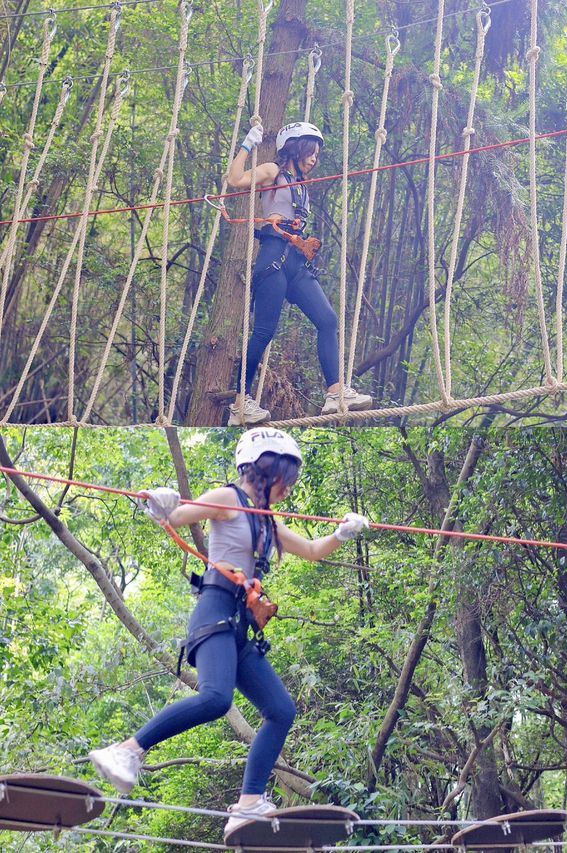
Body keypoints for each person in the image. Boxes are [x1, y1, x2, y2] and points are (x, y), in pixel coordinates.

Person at [88, 428, 369, 837]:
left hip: (240, 629)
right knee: (216, 698)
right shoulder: (228, 499)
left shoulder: (267, 522)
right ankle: (127, 750)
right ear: (265, 471)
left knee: (281, 710)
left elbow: (310, 549)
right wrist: (160, 503)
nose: (288, 491)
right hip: (215, 613)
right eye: (285, 480)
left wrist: (342, 533)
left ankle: (250, 803)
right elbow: (177, 515)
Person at [226, 120, 373, 426]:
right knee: (265, 332)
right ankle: (240, 402)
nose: (313, 159)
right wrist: (247, 144)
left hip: (295, 260)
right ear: (294, 148)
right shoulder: (272, 172)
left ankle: (335, 392)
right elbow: (235, 179)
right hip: (273, 257)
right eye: (310, 151)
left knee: (327, 319)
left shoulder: (301, 184)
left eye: (317, 154)